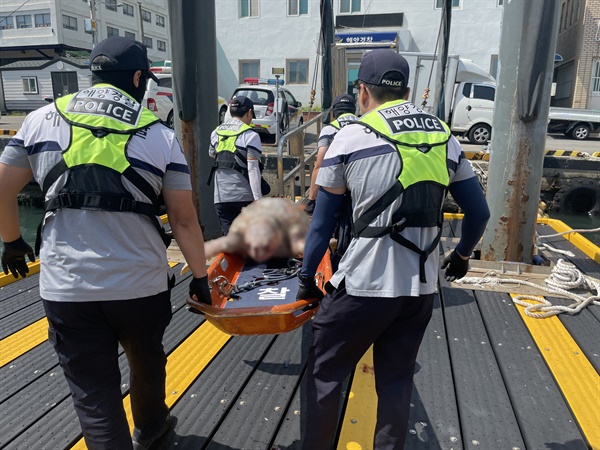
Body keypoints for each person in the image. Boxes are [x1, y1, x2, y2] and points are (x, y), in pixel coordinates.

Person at [0, 36, 212, 450]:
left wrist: (12, 241)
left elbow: (3, 190)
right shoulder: (158, 133)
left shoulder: (41, 118)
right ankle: (152, 432)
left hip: (66, 286)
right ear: (136, 77)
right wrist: (200, 278)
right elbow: (185, 221)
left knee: (94, 392)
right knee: (147, 360)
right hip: (139, 284)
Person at [296, 48, 490, 449]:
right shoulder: (442, 135)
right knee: (397, 380)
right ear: (405, 89)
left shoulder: (350, 135)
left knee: (326, 376)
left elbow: (321, 225)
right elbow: (480, 212)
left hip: (361, 286)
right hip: (418, 288)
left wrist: (305, 282)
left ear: (363, 91)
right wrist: (463, 255)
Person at [208, 95, 264, 236]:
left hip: (221, 197)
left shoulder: (216, 133)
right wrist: (258, 200)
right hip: (244, 197)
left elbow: (212, 154)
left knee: (230, 243)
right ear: (249, 112)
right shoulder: (250, 135)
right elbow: (252, 168)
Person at [305, 93, 358, 215]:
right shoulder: (366, 126)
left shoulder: (329, 129)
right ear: (354, 110)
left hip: (334, 184)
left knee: (319, 227)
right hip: (360, 183)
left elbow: (319, 165)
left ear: (334, 112)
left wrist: (311, 199)